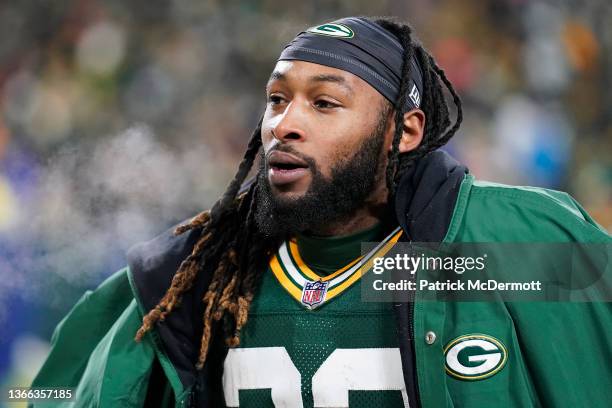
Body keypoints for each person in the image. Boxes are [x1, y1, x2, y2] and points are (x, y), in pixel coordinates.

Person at [30, 16, 611, 408]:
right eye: (276, 99)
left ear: (402, 133)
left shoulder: (510, 242)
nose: (284, 123)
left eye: (325, 102)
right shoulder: (200, 273)